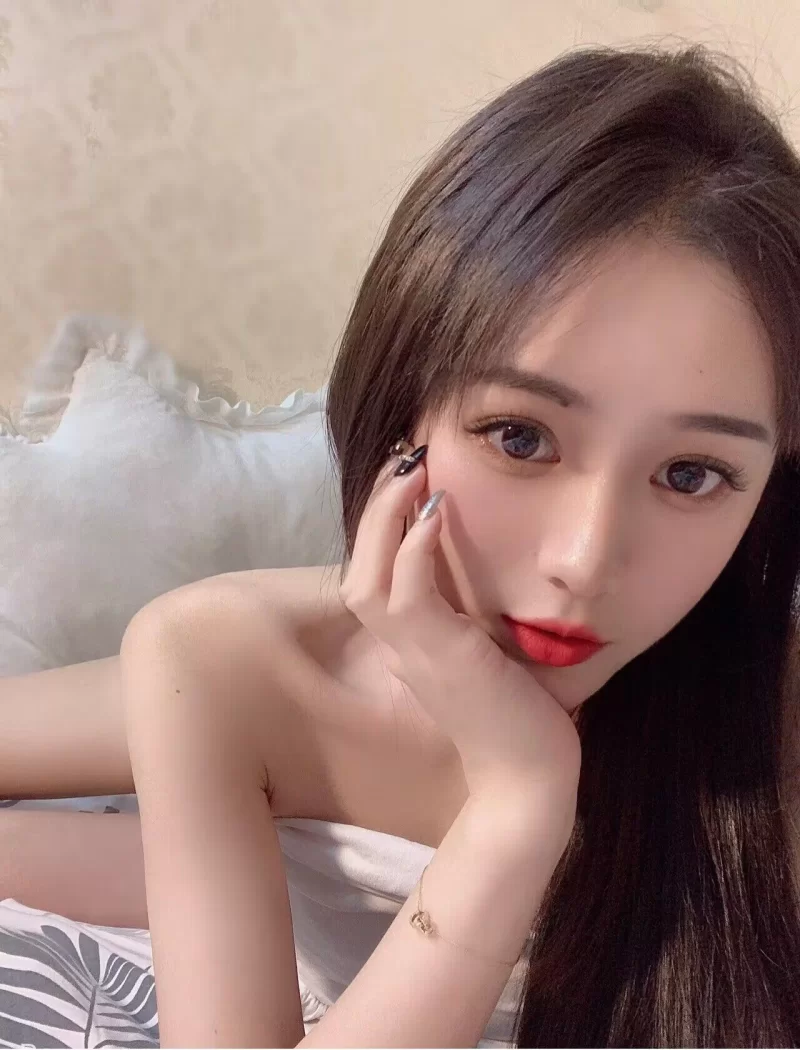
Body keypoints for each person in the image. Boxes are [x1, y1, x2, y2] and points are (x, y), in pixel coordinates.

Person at [2, 41, 800, 1047]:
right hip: (290, 722)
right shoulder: (228, 657)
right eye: (520, 437)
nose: (583, 561)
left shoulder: (766, 736)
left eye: (690, 475)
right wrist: (517, 805)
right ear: (405, 408)